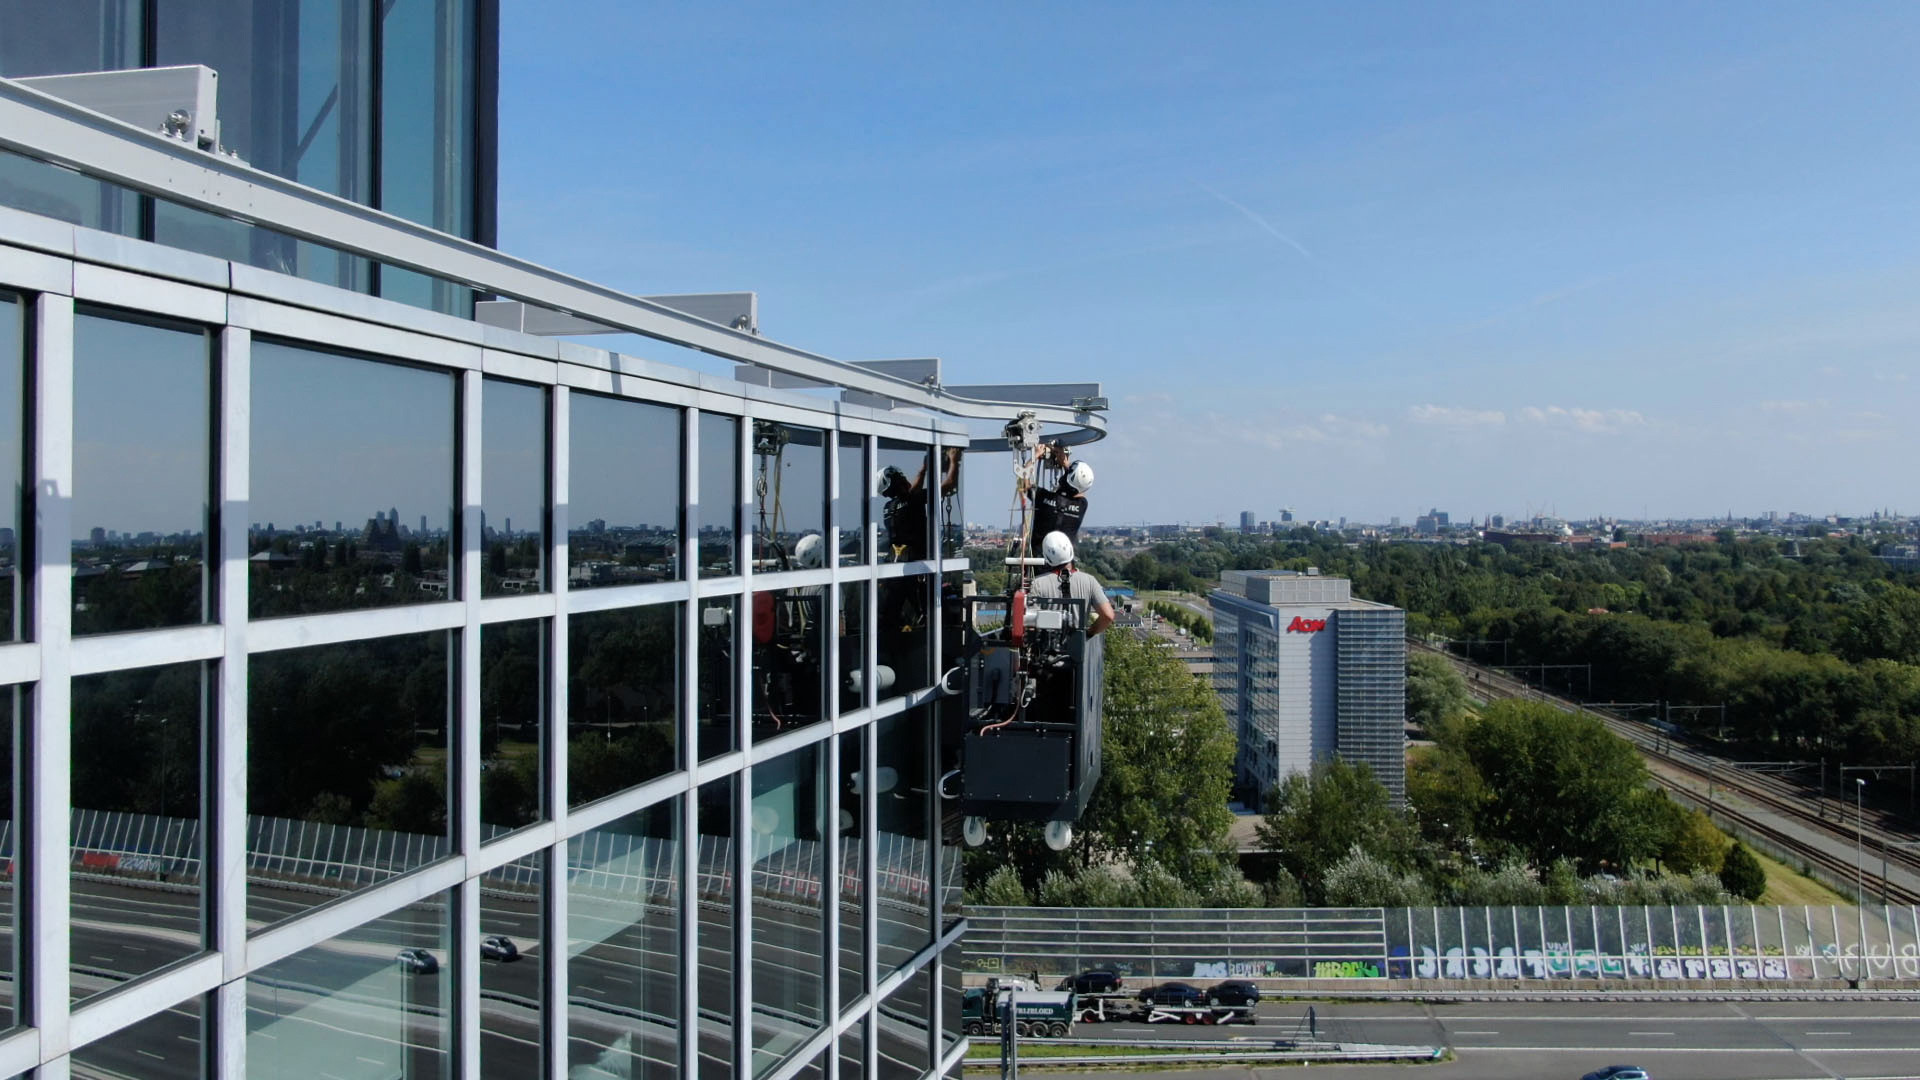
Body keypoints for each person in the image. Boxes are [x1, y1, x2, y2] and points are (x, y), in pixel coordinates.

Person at [1028, 531, 1115, 637]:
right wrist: (1089, 633)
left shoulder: (1037, 584)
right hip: (1079, 650)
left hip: (1045, 649)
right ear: (1070, 550)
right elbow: (1108, 615)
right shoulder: (1090, 581)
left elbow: (1030, 621)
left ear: (1046, 556)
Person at [1030, 447, 1092, 547]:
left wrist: (1035, 456)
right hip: (1064, 560)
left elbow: (1023, 483)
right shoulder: (1082, 505)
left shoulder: (1044, 499)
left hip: (1039, 560)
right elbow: (1080, 488)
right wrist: (1067, 466)